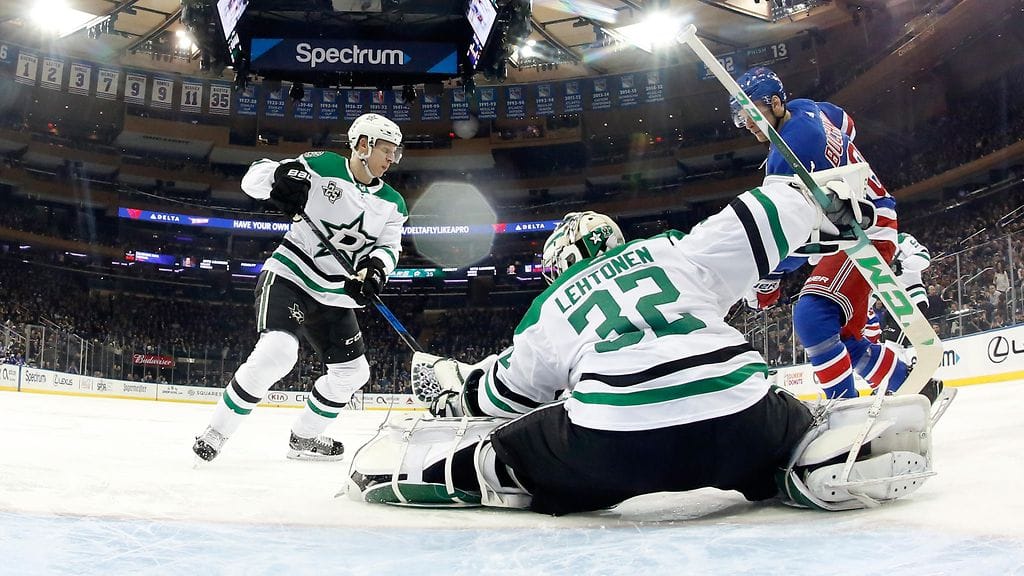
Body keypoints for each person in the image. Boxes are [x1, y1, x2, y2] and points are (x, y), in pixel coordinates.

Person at [348, 175, 943, 515]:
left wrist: (456, 391)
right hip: (741, 421)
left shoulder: (550, 306)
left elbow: (508, 394)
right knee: (793, 420)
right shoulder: (672, 249)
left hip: (614, 447)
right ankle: (809, 457)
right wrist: (824, 200)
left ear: (562, 261)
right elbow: (761, 213)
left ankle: (453, 474)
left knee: (512, 447)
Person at [193, 113, 407, 462]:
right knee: (277, 352)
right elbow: (254, 178)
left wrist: (375, 271)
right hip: (291, 275)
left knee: (354, 373)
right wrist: (280, 176)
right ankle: (215, 432)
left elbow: (389, 246)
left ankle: (304, 438)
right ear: (363, 145)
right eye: (386, 150)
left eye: (395, 152)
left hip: (335, 293)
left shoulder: (393, 203)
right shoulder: (322, 165)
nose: (392, 158)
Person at [731, 66, 936, 400]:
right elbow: (848, 126)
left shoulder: (786, 157)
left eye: (752, 113)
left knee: (812, 316)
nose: (749, 124)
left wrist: (769, 276)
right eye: (741, 118)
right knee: (842, 337)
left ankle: (843, 410)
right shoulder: (810, 108)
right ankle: (917, 386)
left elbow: (792, 232)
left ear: (775, 103)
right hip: (861, 220)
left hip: (862, 230)